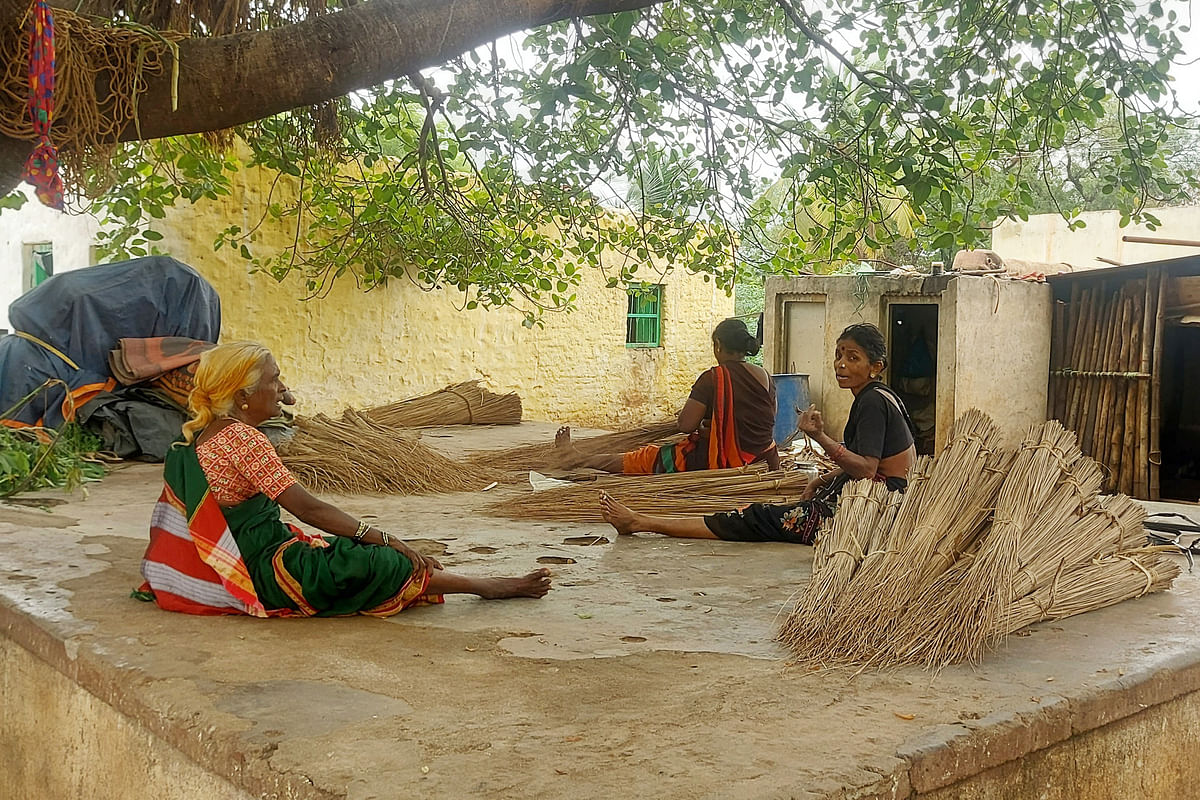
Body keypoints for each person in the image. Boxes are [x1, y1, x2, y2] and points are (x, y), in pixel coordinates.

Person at [138, 341, 551, 617]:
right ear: (244, 395)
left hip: (248, 553)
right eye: (273, 380)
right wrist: (389, 538)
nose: (282, 389)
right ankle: (485, 586)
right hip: (259, 570)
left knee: (346, 548)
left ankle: (472, 583)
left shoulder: (196, 438)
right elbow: (309, 508)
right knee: (377, 559)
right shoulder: (242, 440)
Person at [599, 323, 916, 544]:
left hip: (879, 502)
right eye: (838, 355)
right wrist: (820, 479)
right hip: (789, 465)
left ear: (876, 367)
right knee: (774, 510)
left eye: (852, 358)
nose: (840, 365)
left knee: (755, 517)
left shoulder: (872, 402)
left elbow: (867, 468)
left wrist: (819, 437)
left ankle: (642, 523)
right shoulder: (880, 396)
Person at [555, 317, 780, 474]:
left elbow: (685, 424)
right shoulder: (765, 376)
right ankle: (577, 457)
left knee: (644, 457)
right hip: (766, 458)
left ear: (718, 345)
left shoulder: (714, 378)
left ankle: (577, 459)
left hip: (723, 461)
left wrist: (698, 422)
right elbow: (764, 420)